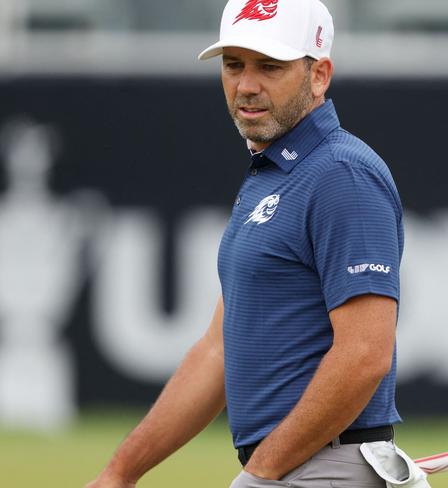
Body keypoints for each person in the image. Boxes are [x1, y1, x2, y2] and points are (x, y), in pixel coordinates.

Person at [86, 0, 415, 486]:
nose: (246, 85)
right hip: (295, 468)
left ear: (319, 75)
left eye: (270, 67)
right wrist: (120, 473)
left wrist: (262, 472)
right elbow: (217, 352)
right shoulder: (273, 175)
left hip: (324, 468)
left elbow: (365, 354)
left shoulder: (341, 174)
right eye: (233, 65)